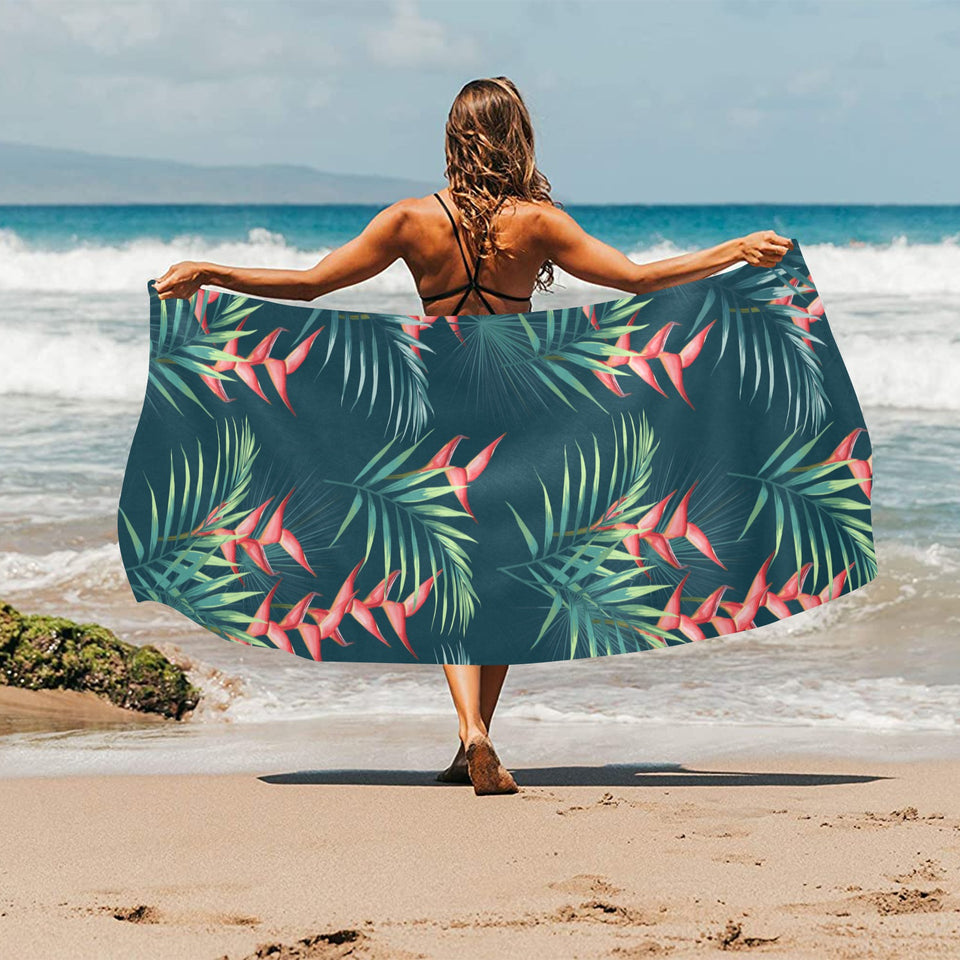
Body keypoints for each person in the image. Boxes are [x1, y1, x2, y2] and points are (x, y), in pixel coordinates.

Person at [154, 76, 793, 796]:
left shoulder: (409, 219)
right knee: (504, 568)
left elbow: (310, 285)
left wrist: (211, 271)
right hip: (519, 404)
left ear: (455, 137)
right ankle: (476, 734)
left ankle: (472, 735)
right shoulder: (538, 222)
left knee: (449, 566)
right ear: (518, 137)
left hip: (438, 401)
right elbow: (638, 281)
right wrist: (734, 249)